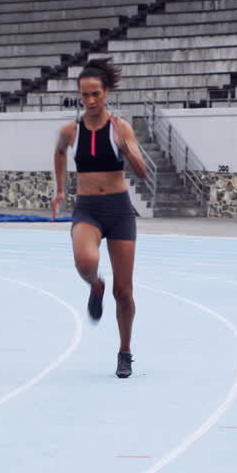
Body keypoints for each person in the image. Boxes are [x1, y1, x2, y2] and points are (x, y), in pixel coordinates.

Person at [52, 58, 148, 378]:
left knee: (124, 292)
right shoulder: (71, 130)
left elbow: (142, 171)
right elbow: (60, 151)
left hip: (119, 211)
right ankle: (95, 286)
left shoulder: (121, 128)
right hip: (88, 208)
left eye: (95, 94)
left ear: (106, 93)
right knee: (83, 261)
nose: (90, 101)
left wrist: (128, 149)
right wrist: (60, 190)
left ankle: (125, 352)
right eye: (84, 95)